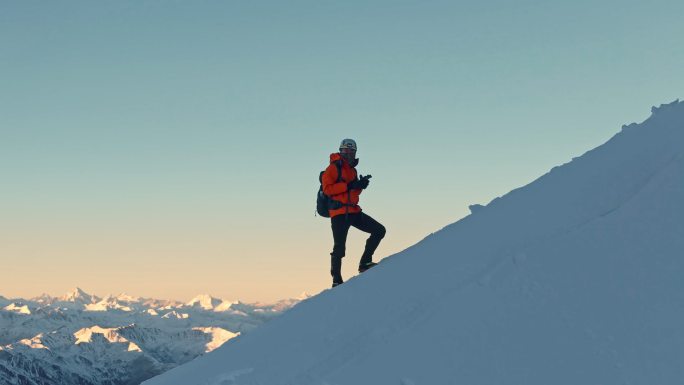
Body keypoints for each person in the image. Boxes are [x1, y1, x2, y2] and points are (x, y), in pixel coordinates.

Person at [321, 138, 386, 287]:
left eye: (351, 151)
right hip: (338, 212)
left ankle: (365, 263)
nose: (348, 153)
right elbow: (327, 189)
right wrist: (350, 185)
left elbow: (352, 192)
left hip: (353, 210)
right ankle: (336, 280)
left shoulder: (352, 170)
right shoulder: (332, 168)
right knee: (339, 247)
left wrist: (360, 185)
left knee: (379, 230)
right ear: (340, 151)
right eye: (345, 150)